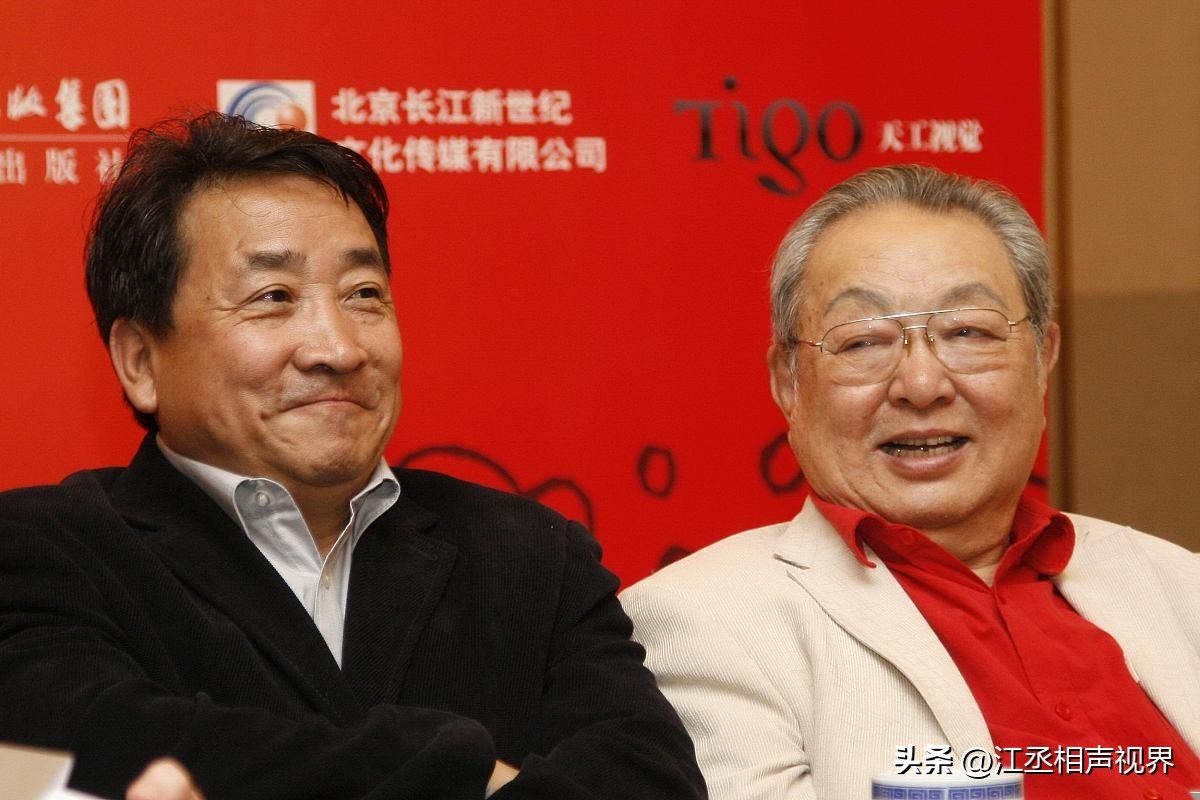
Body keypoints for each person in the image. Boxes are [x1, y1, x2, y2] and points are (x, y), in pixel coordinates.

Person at [0, 112, 704, 800]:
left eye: (363, 295)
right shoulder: (43, 549)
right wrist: (467, 768)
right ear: (140, 361)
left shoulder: (531, 556)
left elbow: (651, 783)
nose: (338, 349)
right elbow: (89, 754)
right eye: (273, 297)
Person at [621, 165, 1200, 799]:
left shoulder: (1179, 586)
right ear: (788, 382)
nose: (922, 385)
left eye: (968, 332)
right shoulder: (703, 623)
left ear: (1043, 360)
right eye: (863, 341)